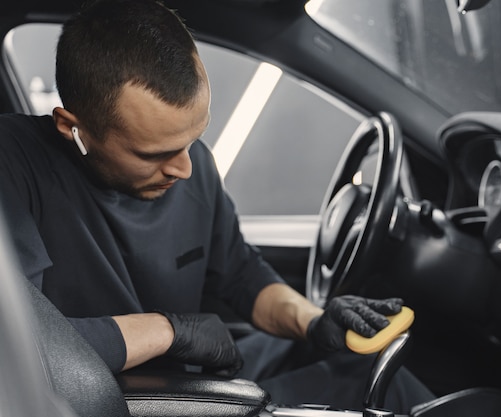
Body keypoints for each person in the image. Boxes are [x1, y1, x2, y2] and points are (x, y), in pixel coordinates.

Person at [0, 0, 435, 413]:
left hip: (194, 377)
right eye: (154, 154)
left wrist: (314, 321)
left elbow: (241, 273)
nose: (185, 168)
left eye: (193, 140)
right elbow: (20, 349)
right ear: (72, 129)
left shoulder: (193, 165)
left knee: (379, 372)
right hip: (123, 399)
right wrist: (170, 332)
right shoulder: (13, 167)